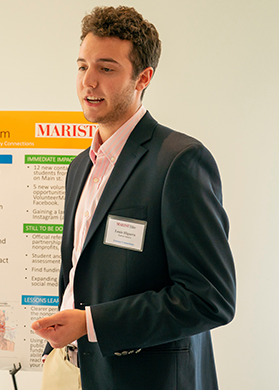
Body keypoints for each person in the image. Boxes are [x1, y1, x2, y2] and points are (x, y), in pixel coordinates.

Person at [32, 6, 236, 389]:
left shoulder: (180, 161)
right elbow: (78, 273)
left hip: (143, 379)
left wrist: (92, 323)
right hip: (70, 370)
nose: (88, 82)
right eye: (82, 66)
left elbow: (211, 299)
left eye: (106, 69)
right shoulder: (79, 167)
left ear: (143, 78)